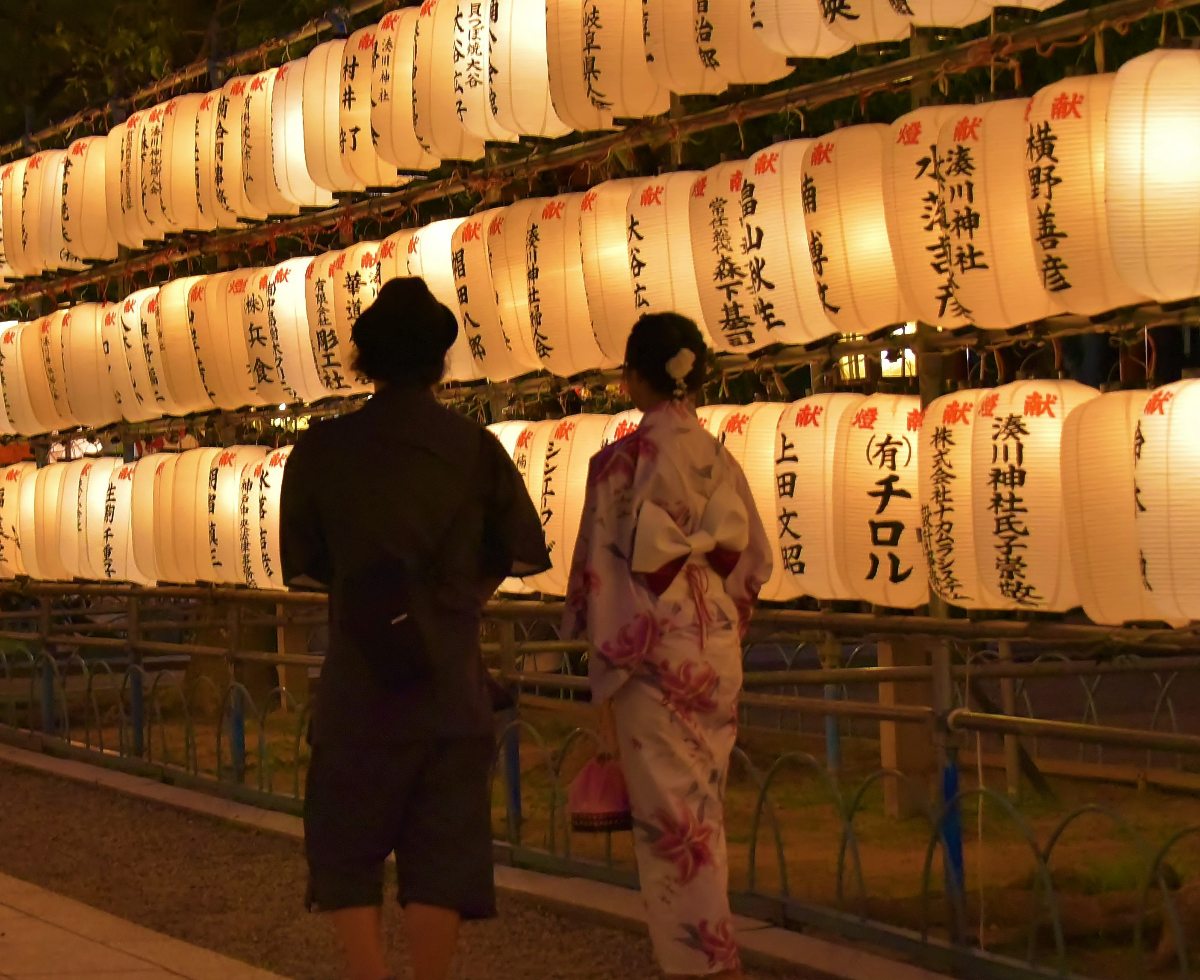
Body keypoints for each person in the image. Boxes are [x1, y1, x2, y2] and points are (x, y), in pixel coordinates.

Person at [279, 276, 550, 980]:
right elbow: (519, 548)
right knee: (444, 856)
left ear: (364, 359)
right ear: (439, 361)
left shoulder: (322, 450)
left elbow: (306, 568)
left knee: (346, 850)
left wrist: (373, 594)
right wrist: (456, 601)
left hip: (359, 685)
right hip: (451, 686)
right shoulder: (473, 449)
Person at [562, 312, 772, 979]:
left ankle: (703, 965)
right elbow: (752, 560)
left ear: (632, 380)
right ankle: (712, 954)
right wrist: (721, 617)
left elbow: (600, 576)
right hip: (711, 649)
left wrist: (607, 661)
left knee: (671, 827)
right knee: (702, 805)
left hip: (653, 656)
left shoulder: (619, 464)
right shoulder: (720, 458)